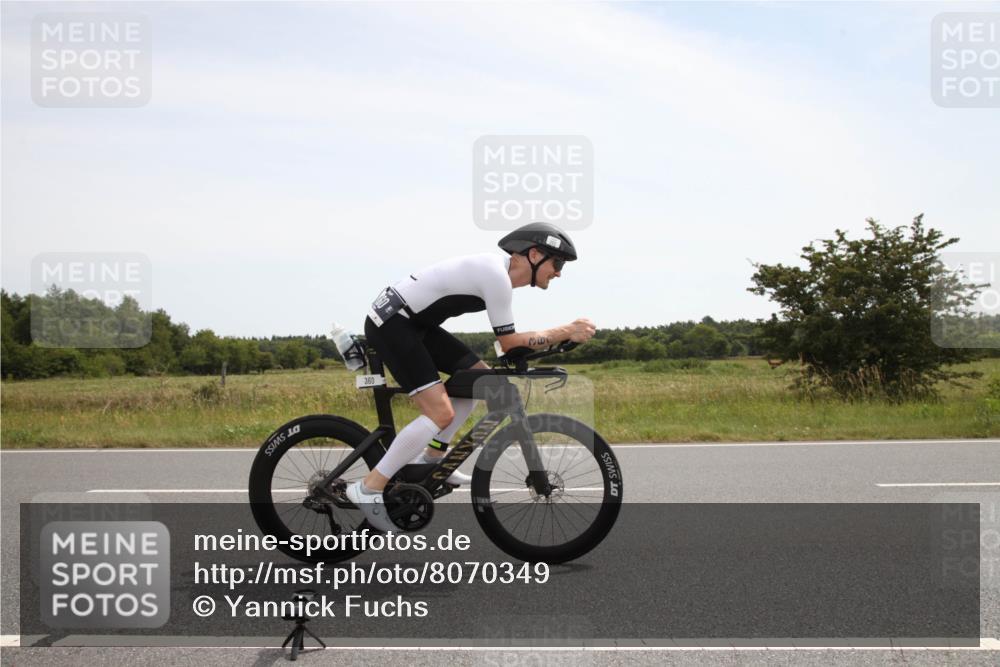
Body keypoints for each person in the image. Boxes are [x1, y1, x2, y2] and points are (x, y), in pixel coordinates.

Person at [345, 222, 596, 531]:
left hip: (414, 324)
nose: (558, 272)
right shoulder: (495, 277)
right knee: (440, 412)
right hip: (393, 324)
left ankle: (432, 458)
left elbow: (510, 349)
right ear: (533, 255)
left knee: (483, 382)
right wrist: (566, 331)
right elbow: (509, 343)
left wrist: (556, 341)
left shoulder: (497, 276)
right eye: (557, 263)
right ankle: (369, 487)